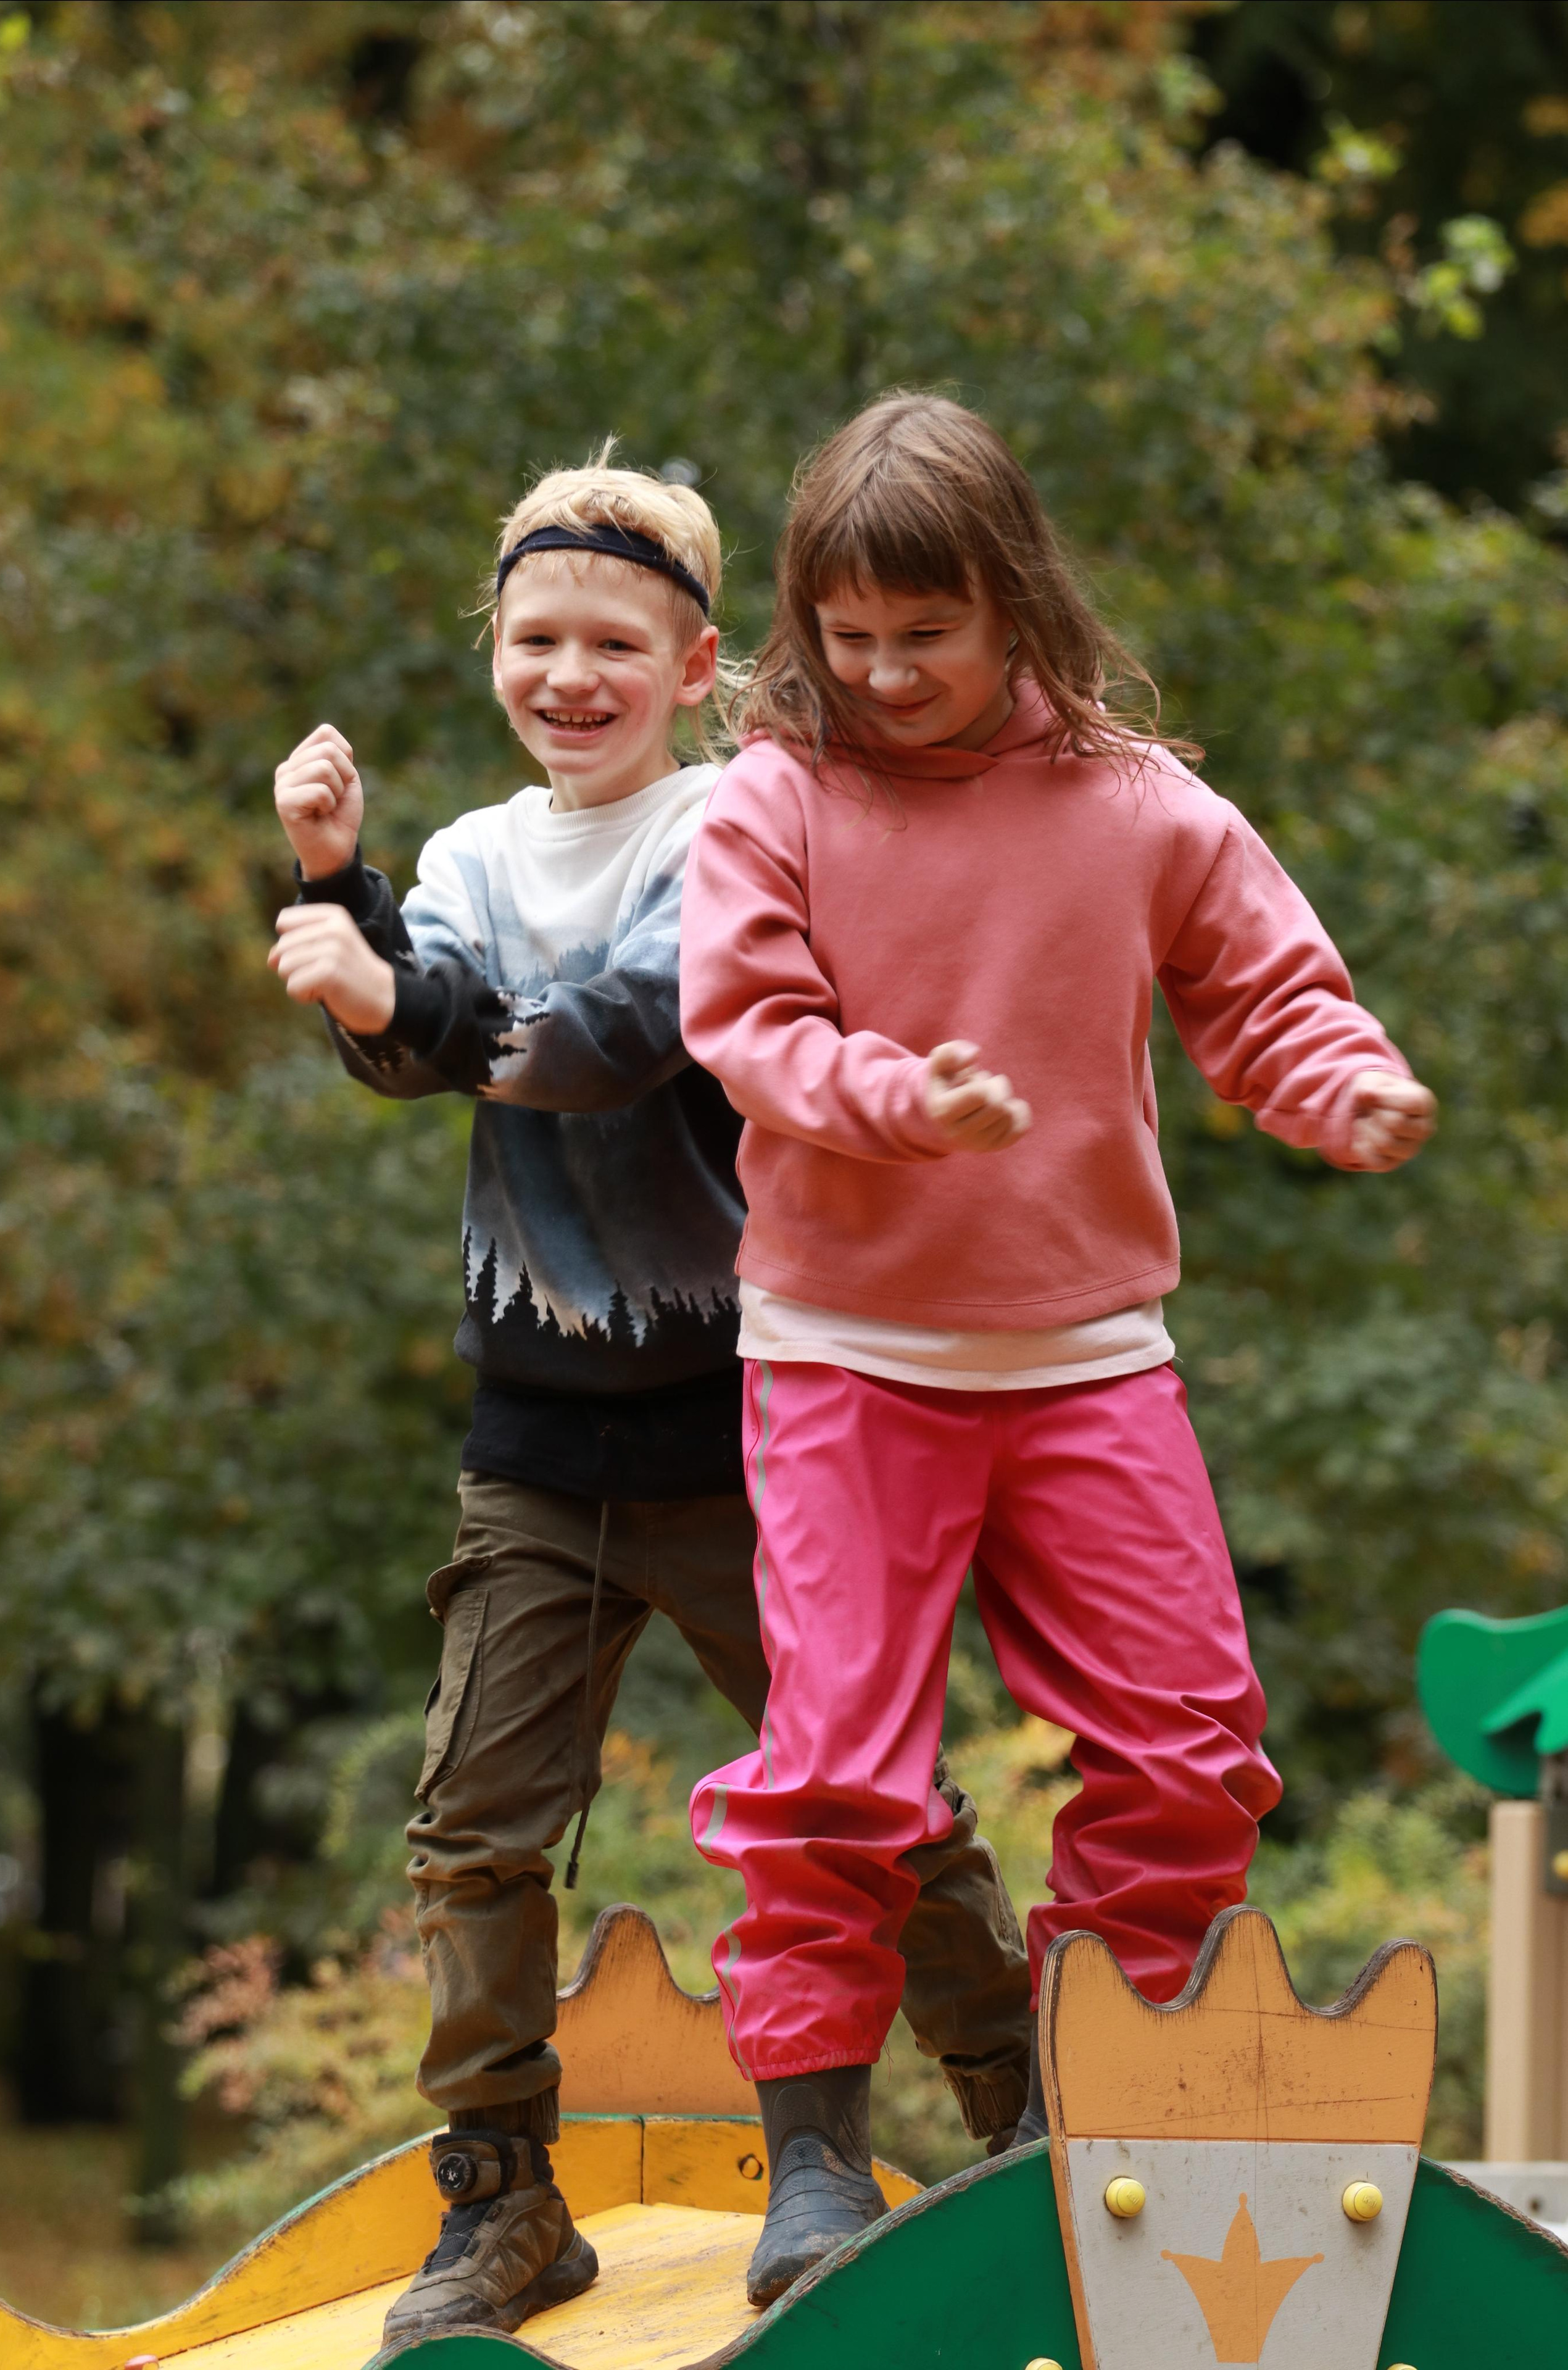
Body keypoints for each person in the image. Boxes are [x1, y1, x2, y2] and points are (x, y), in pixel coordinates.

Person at [677, 393, 1439, 2306]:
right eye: (846, 636)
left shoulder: (1137, 801)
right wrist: (888, 1098)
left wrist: (1339, 1088)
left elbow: (1268, 986)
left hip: (1088, 1355)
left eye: (922, 636)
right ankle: (817, 2164)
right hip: (845, 1353)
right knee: (840, 1765)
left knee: (1188, 1752)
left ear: (1013, 601)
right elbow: (743, 1019)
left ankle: (1075, 2116)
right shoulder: (779, 792)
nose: (882, 672)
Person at [265, 460, 1033, 2348]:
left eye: (616, 643)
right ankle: (505, 2197)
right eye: (537, 640)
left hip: (745, 1424)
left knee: (866, 1799)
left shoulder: (738, 830)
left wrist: (398, 1001)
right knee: (473, 1827)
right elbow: (418, 1028)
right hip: (536, 1440)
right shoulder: (464, 855)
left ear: (698, 664)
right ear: (496, 656)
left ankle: (1026, 2117)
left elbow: (616, 1036)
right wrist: (341, 902)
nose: (571, 674)